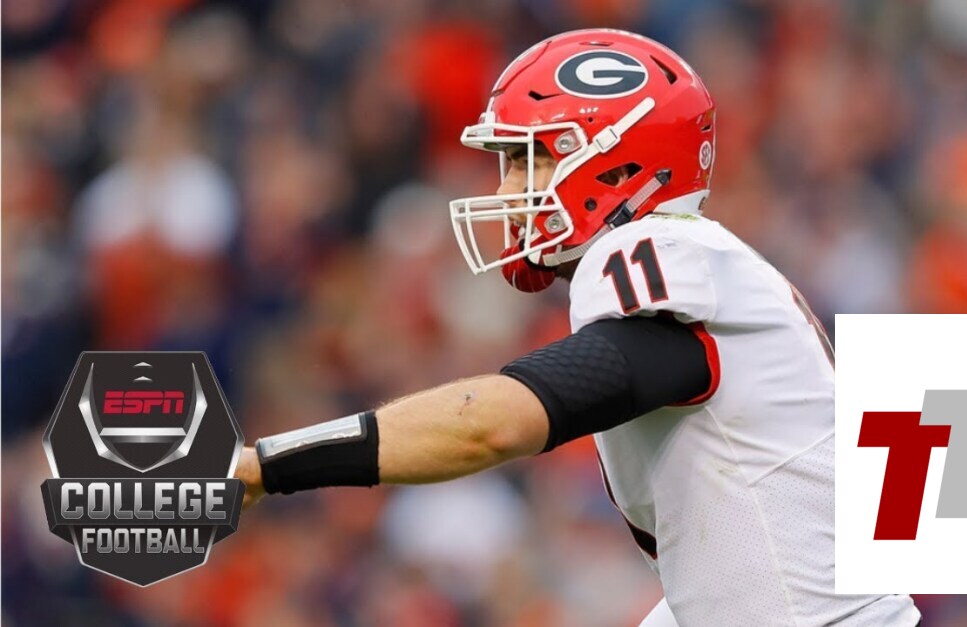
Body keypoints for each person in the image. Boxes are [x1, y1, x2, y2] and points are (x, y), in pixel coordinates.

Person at [235, 28, 921, 626]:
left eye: (527, 159)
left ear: (617, 161)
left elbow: (491, 425)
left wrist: (266, 465)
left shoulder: (657, 252)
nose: (506, 190)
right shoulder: (708, 268)